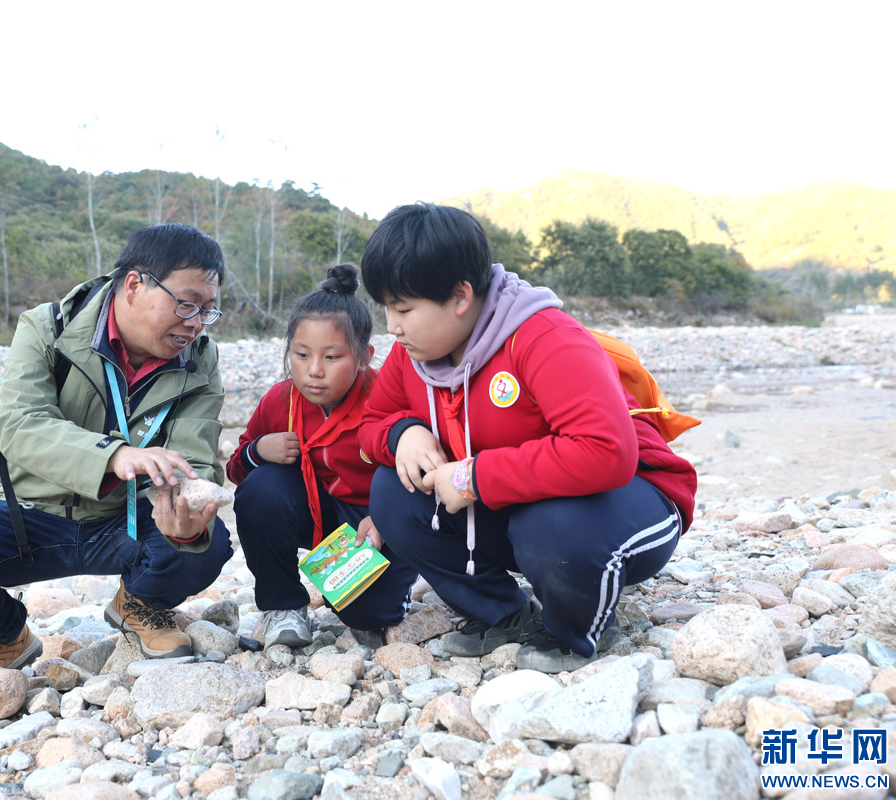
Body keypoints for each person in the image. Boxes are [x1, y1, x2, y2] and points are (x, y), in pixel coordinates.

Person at [357, 203, 697, 672]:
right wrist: (402, 433)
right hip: (518, 508)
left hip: (631, 500)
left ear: (460, 296)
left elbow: (608, 452)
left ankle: (575, 627)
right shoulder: (412, 356)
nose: (392, 325)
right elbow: (369, 423)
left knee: (551, 527)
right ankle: (501, 617)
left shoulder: (543, 338)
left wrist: (476, 476)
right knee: (393, 491)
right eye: (387, 308)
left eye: (403, 309)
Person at [0, 223, 233, 668]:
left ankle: (139, 603)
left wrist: (191, 515)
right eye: (186, 303)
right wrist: (114, 456)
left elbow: (197, 455)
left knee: (208, 544)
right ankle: (5, 636)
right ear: (135, 284)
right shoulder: (48, 328)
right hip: (30, 519)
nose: (194, 323)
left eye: (207, 310)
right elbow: (20, 425)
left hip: (125, 520)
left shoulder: (200, 357)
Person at [227, 264, 418, 648]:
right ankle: (283, 606)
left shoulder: (386, 397)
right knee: (260, 488)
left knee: (367, 616)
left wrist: (386, 519)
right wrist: (258, 450)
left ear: (364, 356)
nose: (314, 371)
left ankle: (399, 583)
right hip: (317, 515)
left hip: (375, 520)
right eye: (301, 354)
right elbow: (234, 469)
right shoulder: (281, 401)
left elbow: (419, 473)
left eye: (332, 357)